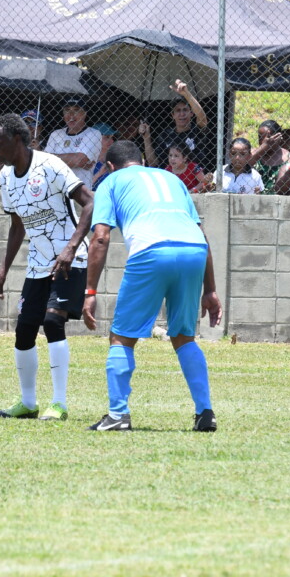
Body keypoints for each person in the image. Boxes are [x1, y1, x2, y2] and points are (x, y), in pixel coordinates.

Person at [81, 140, 222, 432]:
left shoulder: (110, 181)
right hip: (194, 250)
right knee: (184, 336)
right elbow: (202, 234)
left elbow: (101, 237)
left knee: (121, 337)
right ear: (142, 162)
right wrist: (210, 290)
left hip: (152, 250)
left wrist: (90, 291)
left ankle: (118, 415)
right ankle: (205, 412)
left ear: (111, 166)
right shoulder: (170, 178)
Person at [0, 113, 94, 422]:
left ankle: (58, 404)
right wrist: (3, 269)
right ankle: (28, 403)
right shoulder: (5, 177)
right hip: (38, 262)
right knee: (24, 330)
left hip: (70, 259)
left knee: (52, 322)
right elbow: (17, 225)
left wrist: (71, 247)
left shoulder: (50, 165)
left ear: (17, 140)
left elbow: (90, 202)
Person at [146, 79, 209, 168]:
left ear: (191, 113)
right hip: (170, 175)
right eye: (178, 110)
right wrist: (146, 138)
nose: (182, 114)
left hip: (194, 175)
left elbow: (202, 117)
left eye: (185, 110)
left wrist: (186, 94)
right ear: (173, 115)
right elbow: (153, 163)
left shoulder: (196, 131)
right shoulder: (165, 135)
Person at [42, 98, 102, 191]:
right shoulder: (56, 134)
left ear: (85, 113)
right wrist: (71, 159)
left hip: (79, 191)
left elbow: (79, 160)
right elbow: (44, 163)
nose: (71, 115)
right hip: (55, 190)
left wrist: (50, 158)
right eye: (67, 110)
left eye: (76, 110)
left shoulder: (93, 134)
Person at [252, 120, 288, 193]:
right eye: (260, 137)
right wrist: (263, 148)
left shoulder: (287, 156)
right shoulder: (254, 153)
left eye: (268, 137)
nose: (264, 141)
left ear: (278, 137)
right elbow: (243, 164)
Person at [90, 122, 117, 186]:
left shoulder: (115, 158)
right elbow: (83, 187)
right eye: (107, 137)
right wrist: (100, 173)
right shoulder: (86, 160)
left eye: (112, 137)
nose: (112, 141)